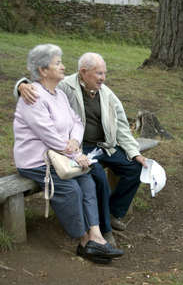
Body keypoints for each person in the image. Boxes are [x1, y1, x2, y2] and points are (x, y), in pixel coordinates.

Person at [14, 52, 147, 247]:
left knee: (133, 168)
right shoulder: (65, 86)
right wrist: (21, 85)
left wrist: (135, 152)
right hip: (78, 148)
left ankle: (112, 212)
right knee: (98, 177)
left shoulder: (106, 93)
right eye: (98, 73)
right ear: (83, 72)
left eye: (104, 73)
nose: (103, 78)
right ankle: (103, 229)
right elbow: (40, 88)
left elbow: (120, 125)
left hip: (104, 146)